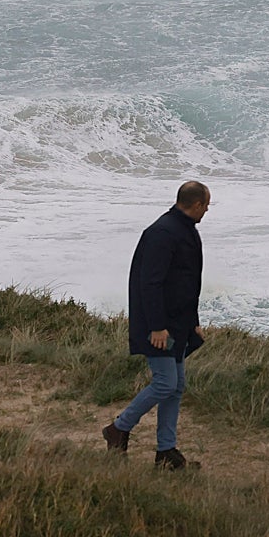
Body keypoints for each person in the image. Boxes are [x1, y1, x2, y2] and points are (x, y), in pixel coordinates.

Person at [102, 180, 210, 469]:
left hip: (177, 323)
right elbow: (149, 284)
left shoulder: (186, 231)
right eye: (206, 205)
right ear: (197, 204)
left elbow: (187, 283)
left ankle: (166, 452)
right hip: (160, 326)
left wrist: (193, 322)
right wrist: (157, 326)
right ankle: (118, 429)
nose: (208, 210)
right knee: (165, 383)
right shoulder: (161, 233)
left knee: (176, 386)